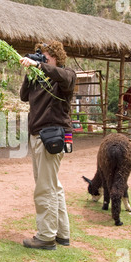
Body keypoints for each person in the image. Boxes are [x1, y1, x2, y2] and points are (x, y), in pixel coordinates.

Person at [19, 41, 76, 250]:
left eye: (46, 56)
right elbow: (23, 96)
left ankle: (46, 236)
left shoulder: (65, 75)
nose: (42, 59)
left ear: (56, 58)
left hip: (51, 137)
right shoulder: (38, 76)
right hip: (38, 136)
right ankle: (62, 233)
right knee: (53, 186)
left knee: (45, 188)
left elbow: (64, 77)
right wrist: (31, 70)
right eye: (40, 55)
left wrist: (40, 66)